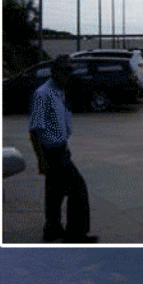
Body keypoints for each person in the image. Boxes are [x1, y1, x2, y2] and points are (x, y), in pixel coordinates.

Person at [28, 55, 97, 243]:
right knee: (78, 189)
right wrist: (41, 159)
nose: (68, 75)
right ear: (54, 72)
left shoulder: (60, 92)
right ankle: (76, 234)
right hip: (52, 152)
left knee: (55, 193)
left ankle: (52, 230)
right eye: (65, 71)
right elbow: (34, 130)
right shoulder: (43, 94)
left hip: (61, 148)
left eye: (70, 71)